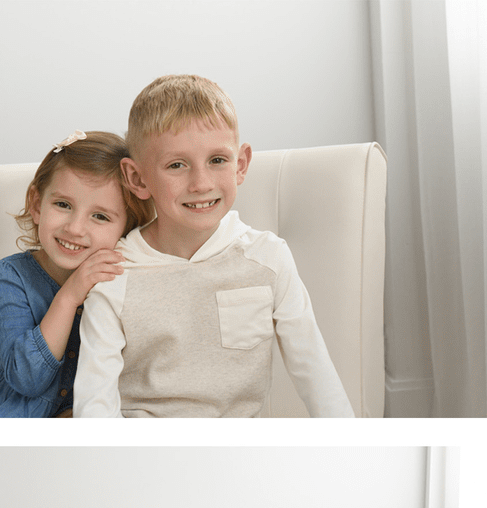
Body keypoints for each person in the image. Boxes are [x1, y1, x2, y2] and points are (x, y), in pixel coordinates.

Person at [73, 75, 355, 417]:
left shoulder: (268, 258)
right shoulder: (114, 273)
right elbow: (94, 405)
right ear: (137, 178)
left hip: (234, 456)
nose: (201, 183)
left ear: (241, 164)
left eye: (217, 160)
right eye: (177, 165)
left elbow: (315, 374)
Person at [0, 130, 146, 417]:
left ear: (128, 228)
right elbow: (26, 378)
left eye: (100, 216)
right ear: (36, 204)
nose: (75, 228)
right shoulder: (8, 277)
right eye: (63, 205)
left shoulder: (121, 282)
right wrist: (69, 296)